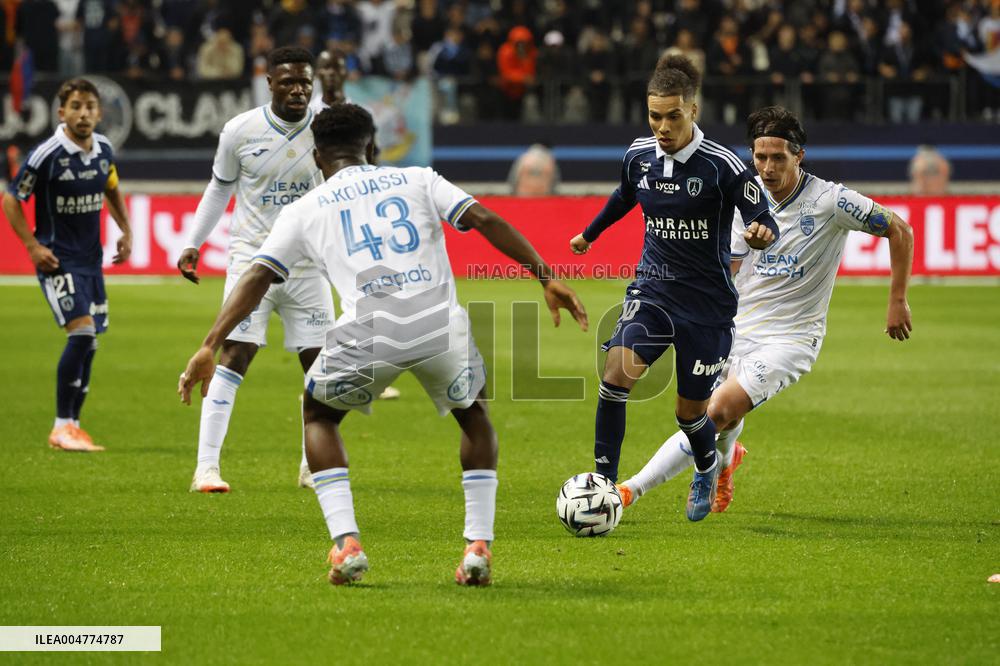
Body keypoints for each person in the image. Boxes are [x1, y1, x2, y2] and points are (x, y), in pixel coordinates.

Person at [178, 103, 588, 586]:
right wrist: (546, 277)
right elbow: (484, 218)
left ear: (315, 157)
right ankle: (477, 546)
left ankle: (346, 545)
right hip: (440, 325)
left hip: (370, 333)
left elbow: (258, 276)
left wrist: (211, 343)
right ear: (371, 147)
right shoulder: (419, 178)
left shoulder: (304, 209)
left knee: (319, 415)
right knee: (474, 415)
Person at [618, 106, 914, 513]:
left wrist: (897, 300)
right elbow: (727, 266)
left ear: (799, 156)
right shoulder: (742, 196)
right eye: (760, 158)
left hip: (790, 339)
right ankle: (725, 462)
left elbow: (899, 228)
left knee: (715, 411)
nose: (768, 168)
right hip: (734, 328)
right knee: (714, 416)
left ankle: (627, 491)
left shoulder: (831, 201)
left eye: (778, 158)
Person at [569, 55, 779, 523]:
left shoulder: (724, 166)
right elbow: (625, 195)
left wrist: (763, 233)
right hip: (653, 291)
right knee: (616, 373)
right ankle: (603, 482)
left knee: (690, 415)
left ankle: (708, 463)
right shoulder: (638, 155)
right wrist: (590, 233)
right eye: (654, 116)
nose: (662, 127)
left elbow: (764, 219)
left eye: (673, 116)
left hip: (706, 308)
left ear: (693, 110)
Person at [176, 47, 331, 493]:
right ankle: (206, 468)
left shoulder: (326, 127)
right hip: (252, 260)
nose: (299, 88)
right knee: (234, 356)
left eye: (305, 80)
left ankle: (312, 465)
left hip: (307, 265)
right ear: (269, 82)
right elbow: (219, 188)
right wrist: (193, 241)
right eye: (288, 81)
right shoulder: (240, 131)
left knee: (320, 365)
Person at [2, 78, 132, 452]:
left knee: (90, 344)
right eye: (76, 106)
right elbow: (12, 200)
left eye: (90, 106)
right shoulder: (47, 155)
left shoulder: (104, 149)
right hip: (57, 259)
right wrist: (31, 247)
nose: (84, 113)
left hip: (91, 262)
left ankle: (73, 426)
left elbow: (111, 188)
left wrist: (126, 230)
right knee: (82, 334)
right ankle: (61, 425)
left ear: (99, 111)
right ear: (62, 112)